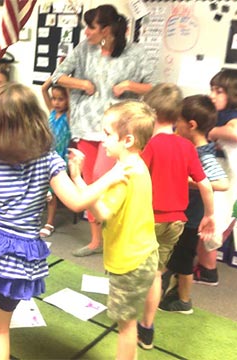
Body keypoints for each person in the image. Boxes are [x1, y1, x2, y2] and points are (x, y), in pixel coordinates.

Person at [0, 83, 126, 360]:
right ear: (36, 120)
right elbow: (77, 203)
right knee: (0, 329)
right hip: (22, 259)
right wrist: (98, 177)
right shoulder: (49, 159)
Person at [52, 4, 154, 257]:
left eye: (91, 27)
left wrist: (130, 85)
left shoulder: (135, 53)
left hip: (118, 131)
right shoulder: (84, 49)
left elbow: (154, 87)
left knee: (102, 180)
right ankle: (96, 240)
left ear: (106, 29)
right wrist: (81, 83)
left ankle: (114, 236)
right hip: (86, 125)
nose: (86, 32)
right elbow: (57, 77)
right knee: (87, 181)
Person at [69, 100, 159, 360]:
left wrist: (78, 179)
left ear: (128, 139)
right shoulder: (136, 166)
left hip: (130, 262)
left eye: (108, 134)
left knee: (126, 326)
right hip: (142, 255)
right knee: (128, 321)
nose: (103, 139)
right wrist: (80, 180)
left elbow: (101, 212)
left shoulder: (124, 173)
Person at [139, 83, 215, 350]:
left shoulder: (149, 145)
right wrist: (210, 215)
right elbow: (205, 184)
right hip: (177, 222)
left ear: (151, 112)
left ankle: (133, 320)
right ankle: (146, 329)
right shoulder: (186, 147)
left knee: (139, 271)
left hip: (149, 219)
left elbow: (134, 180)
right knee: (157, 274)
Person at [160, 95, 229, 314]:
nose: (174, 125)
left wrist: (189, 181)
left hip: (190, 220)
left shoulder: (204, 155)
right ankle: (172, 290)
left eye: (177, 121)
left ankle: (184, 301)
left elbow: (223, 183)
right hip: (181, 216)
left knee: (183, 261)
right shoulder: (191, 148)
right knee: (176, 257)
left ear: (191, 125)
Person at [194, 69, 237, 286]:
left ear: (236, 95)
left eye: (218, 91)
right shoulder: (218, 114)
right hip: (212, 176)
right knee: (203, 223)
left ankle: (208, 271)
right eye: (212, 89)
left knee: (212, 226)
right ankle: (203, 265)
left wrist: (211, 132)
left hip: (222, 179)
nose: (212, 95)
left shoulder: (236, 117)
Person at [39, 77, 71, 238]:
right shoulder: (51, 111)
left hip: (60, 158)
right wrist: (58, 75)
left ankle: (49, 222)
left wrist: (68, 83)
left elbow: (71, 99)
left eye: (61, 99)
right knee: (41, 188)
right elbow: (44, 89)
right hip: (46, 156)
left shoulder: (69, 116)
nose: (57, 102)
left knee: (52, 191)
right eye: (54, 98)